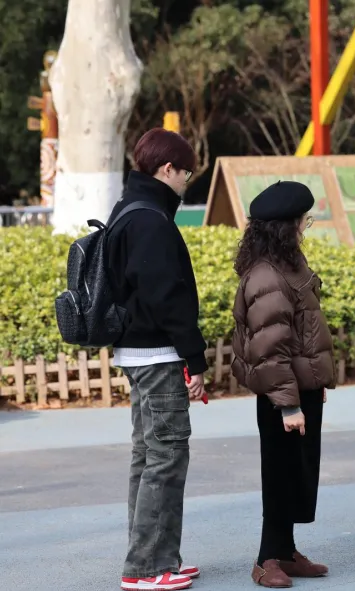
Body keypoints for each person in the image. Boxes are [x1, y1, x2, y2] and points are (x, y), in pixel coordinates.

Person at [107, 128, 208, 591]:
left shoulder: (128, 209)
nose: (186, 181)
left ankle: (156, 557)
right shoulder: (151, 220)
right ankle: (146, 567)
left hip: (135, 351)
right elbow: (168, 297)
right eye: (185, 172)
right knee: (166, 457)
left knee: (148, 456)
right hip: (158, 354)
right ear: (167, 169)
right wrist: (195, 358)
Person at [231, 180, 337, 589]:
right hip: (282, 396)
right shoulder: (267, 276)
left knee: (298, 474)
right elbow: (269, 348)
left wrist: (313, 383)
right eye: (303, 221)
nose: (304, 228)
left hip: (299, 388)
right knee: (279, 474)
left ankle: (288, 553)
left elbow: (304, 332)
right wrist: (289, 404)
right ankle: (266, 559)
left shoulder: (288, 265)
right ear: (285, 227)